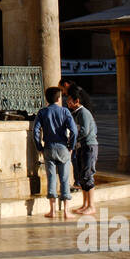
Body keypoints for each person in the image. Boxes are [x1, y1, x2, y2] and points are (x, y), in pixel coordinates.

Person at [33, 86, 77, 220]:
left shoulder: (42, 112)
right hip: (63, 147)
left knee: (51, 178)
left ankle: (52, 211)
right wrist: (71, 146)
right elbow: (74, 131)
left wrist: (39, 147)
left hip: (49, 148)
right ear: (59, 99)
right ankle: (66, 211)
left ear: (47, 98)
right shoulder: (65, 112)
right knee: (64, 179)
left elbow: (35, 131)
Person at [67, 87, 99, 215]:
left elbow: (84, 131)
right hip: (81, 147)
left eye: (69, 100)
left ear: (77, 101)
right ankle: (85, 204)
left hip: (89, 147)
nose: (67, 103)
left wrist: (72, 139)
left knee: (87, 175)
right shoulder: (76, 113)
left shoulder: (83, 113)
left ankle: (91, 205)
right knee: (82, 176)